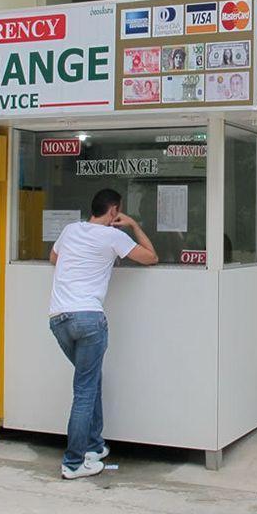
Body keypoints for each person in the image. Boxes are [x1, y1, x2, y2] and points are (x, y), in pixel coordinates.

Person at [48, 188, 158, 479]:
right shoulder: (114, 236)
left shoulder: (71, 230)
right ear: (113, 212)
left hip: (59, 318)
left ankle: (94, 445)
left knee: (89, 380)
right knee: (84, 390)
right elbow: (151, 257)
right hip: (89, 319)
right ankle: (73, 462)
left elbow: (53, 258)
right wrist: (133, 226)